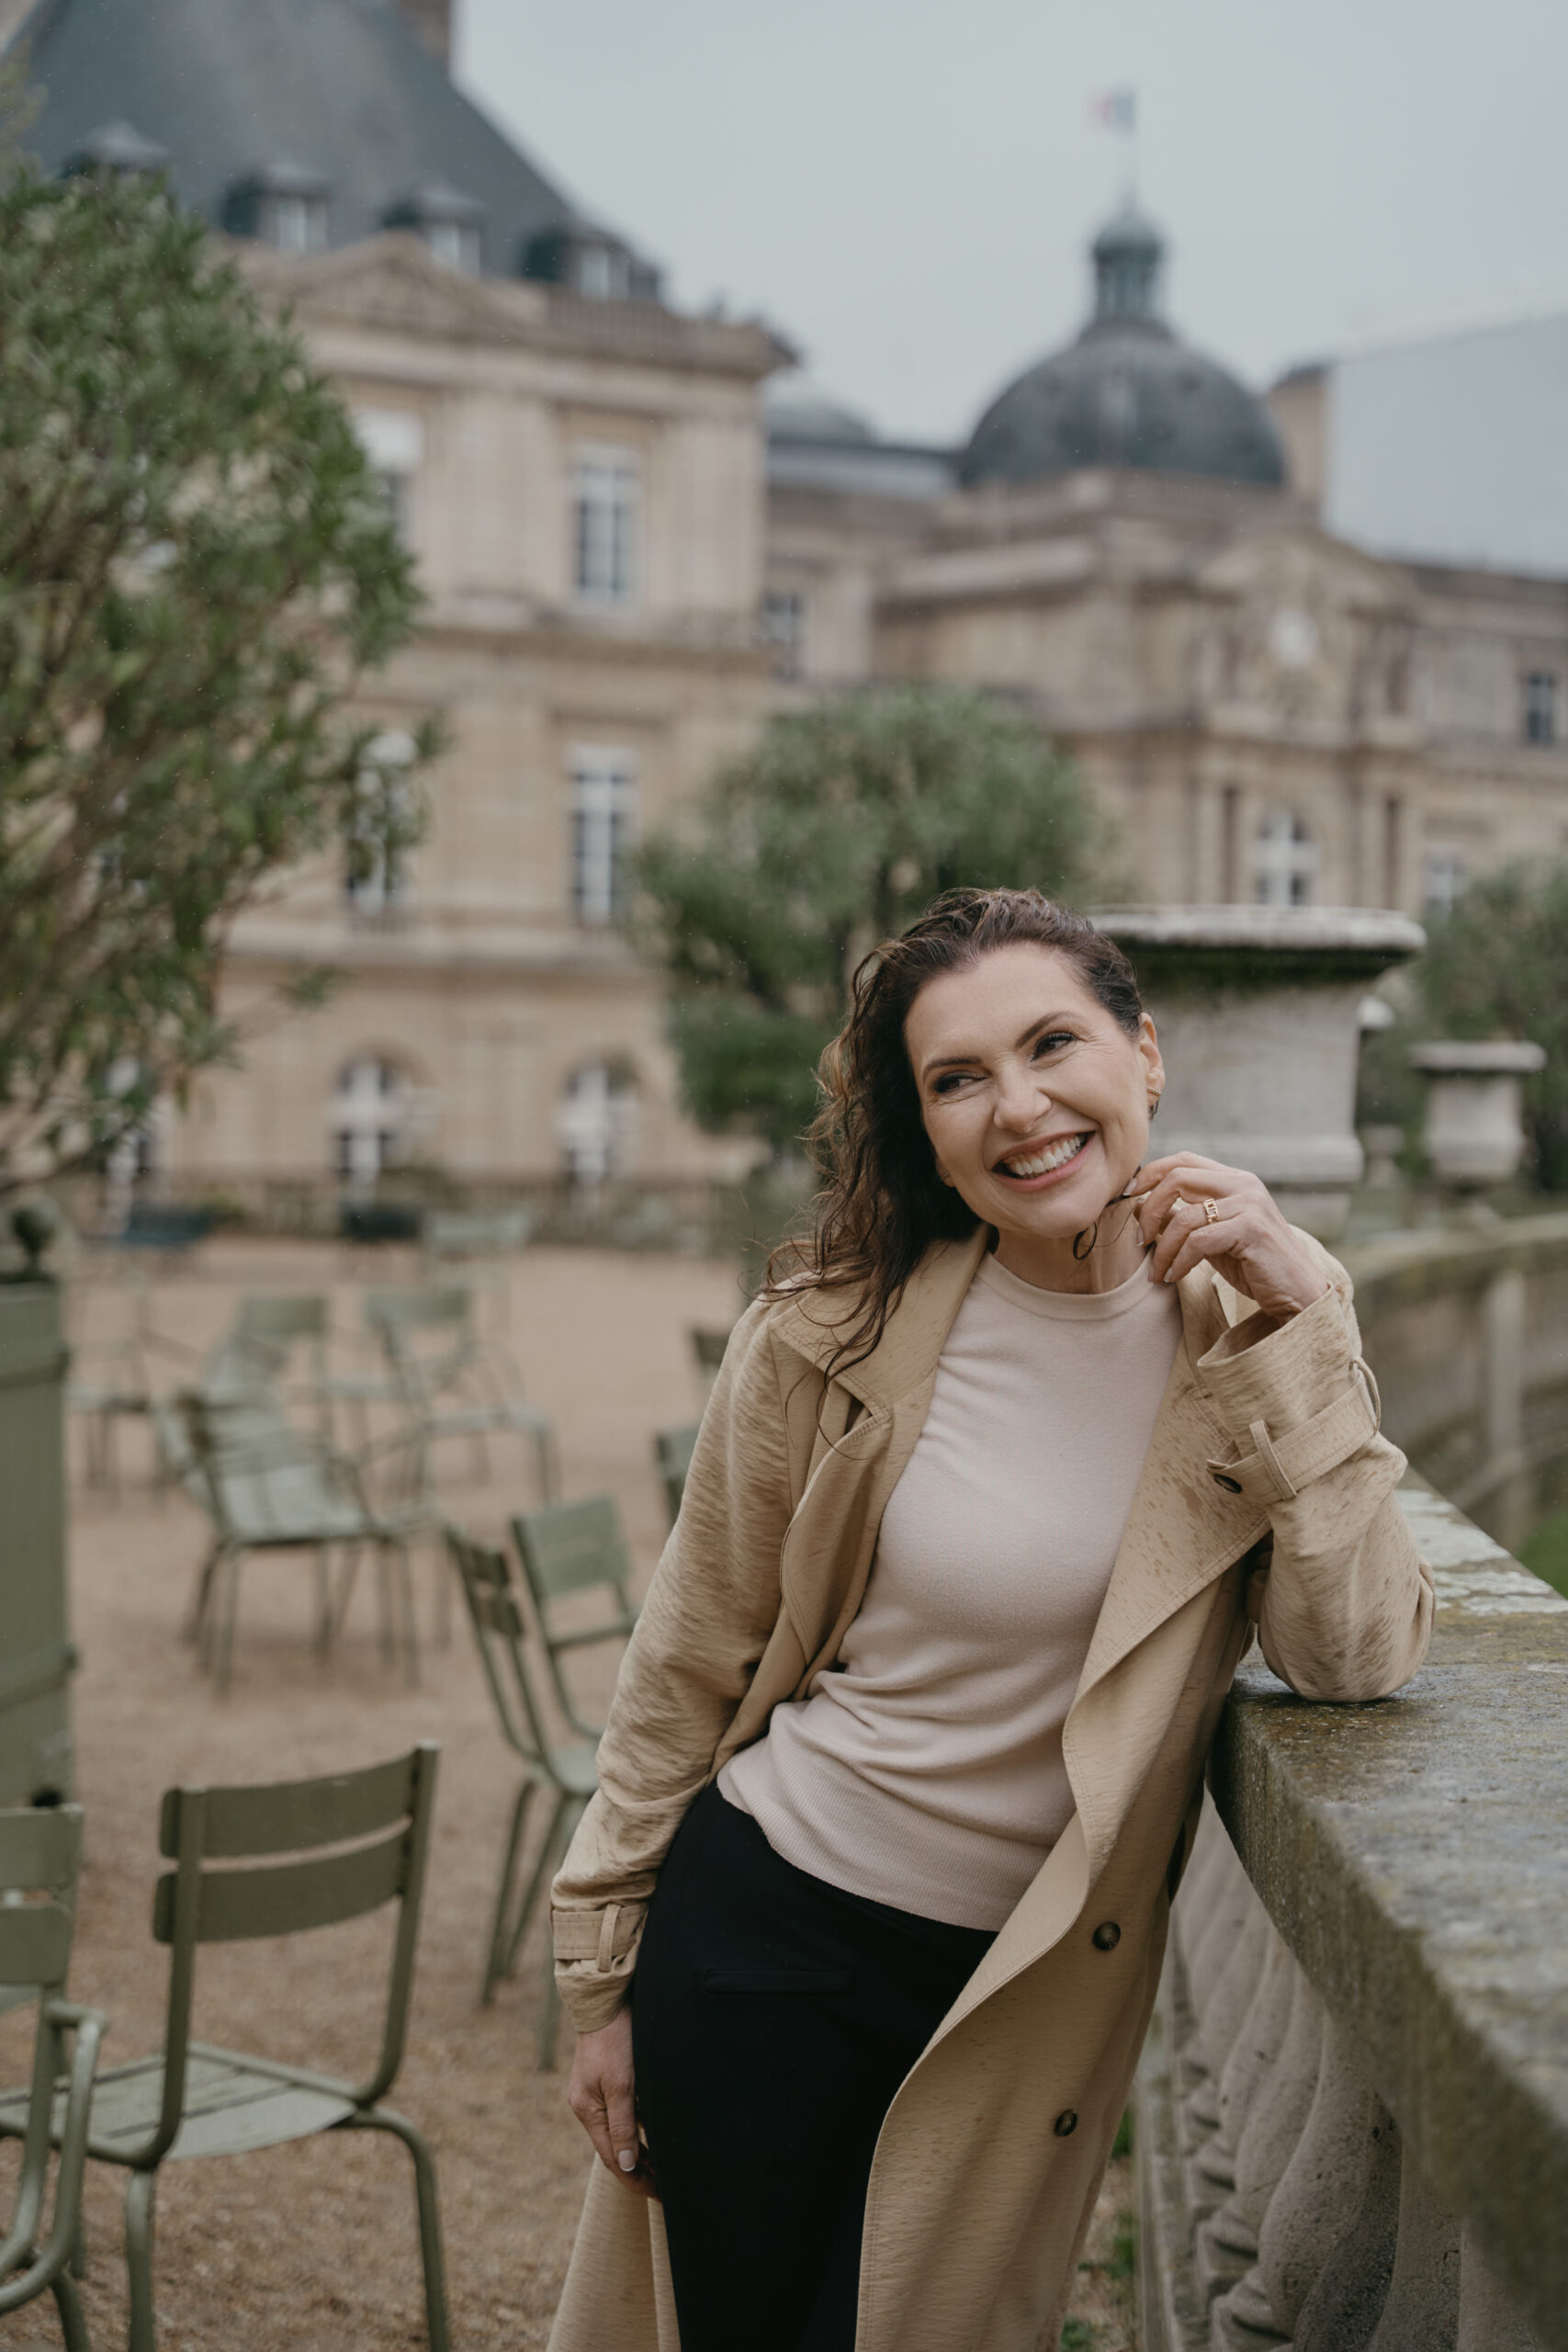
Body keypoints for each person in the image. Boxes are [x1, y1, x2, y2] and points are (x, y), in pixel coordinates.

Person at [546, 888, 1432, 2352]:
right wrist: (599, 1984)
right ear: (926, 1126)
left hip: (1013, 1989)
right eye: (958, 1079)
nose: (1017, 1108)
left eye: (1051, 1044)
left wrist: (1296, 1331)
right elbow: (685, 1665)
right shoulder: (828, 1329)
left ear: (1142, 1054)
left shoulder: (1263, 1313)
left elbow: (1354, 1659)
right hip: (767, 1934)